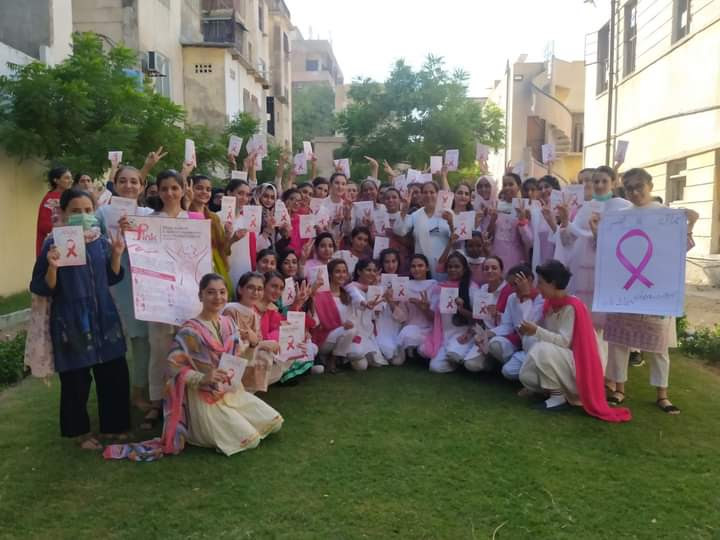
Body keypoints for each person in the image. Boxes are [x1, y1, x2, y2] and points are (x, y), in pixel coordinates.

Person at [105, 274, 283, 460]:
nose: (218, 297)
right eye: (211, 293)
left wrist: (254, 345)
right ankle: (196, 432)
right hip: (203, 397)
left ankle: (230, 421)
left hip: (229, 391)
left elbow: (239, 359)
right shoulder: (190, 330)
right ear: (201, 296)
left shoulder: (229, 324)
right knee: (250, 440)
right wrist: (203, 377)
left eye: (222, 292)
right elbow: (173, 366)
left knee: (274, 423)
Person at [30, 189, 130, 450]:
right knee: (76, 380)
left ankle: (115, 425)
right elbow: (42, 287)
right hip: (72, 320)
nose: (83, 215)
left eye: (88, 210)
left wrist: (117, 253)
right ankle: (79, 432)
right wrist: (53, 266)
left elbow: (112, 277)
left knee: (114, 373)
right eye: (76, 211)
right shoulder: (54, 242)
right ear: (63, 213)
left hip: (104, 317)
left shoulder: (100, 240)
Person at [603, 168, 697, 414]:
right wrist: (597, 231)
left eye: (638, 186)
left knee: (658, 346)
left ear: (650, 185)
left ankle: (662, 395)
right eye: (629, 188)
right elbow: (609, 251)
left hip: (654, 291)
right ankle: (619, 388)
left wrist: (691, 223)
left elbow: (679, 250)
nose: (634, 192)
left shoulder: (666, 216)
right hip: (625, 290)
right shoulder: (620, 217)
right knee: (619, 343)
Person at [517, 260, 632, 422]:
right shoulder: (549, 304)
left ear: (554, 284)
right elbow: (530, 324)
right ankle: (554, 391)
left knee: (541, 348)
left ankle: (558, 398)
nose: (538, 287)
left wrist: (536, 330)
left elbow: (564, 342)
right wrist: (530, 325)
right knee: (526, 374)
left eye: (541, 283)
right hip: (563, 359)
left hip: (579, 366)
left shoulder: (572, 306)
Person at [96, 165, 155, 414]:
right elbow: (94, 248)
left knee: (142, 341)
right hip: (111, 285)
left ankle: (139, 392)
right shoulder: (101, 213)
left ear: (141, 186)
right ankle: (114, 397)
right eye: (123, 181)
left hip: (141, 287)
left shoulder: (150, 213)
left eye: (134, 181)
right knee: (115, 342)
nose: (129, 186)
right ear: (115, 184)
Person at [466, 265, 543, 379]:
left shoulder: (540, 298)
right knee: (497, 349)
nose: (513, 289)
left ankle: (533, 375)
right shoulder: (512, 297)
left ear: (530, 280)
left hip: (535, 345)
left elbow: (527, 327)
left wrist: (526, 296)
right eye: (511, 285)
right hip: (519, 341)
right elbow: (507, 325)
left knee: (510, 372)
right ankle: (514, 365)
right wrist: (486, 334)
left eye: (516, 284)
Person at [224, 272, 284, 392]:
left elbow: (257, 339)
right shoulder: (231, 310)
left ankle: (248, 391)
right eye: (250, 288)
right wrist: (262, 344)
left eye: (259, 289)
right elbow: (233, 344)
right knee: (263, 356)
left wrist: (262, 343)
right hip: (230, 360)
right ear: (240, 289)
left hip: (248, 355)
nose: (255, 293)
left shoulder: (253, 313)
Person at [420, 252, 478, 373]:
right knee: (434, 367)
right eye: (450, 267)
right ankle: (455, 359)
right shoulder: (439, 288)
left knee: (454, 354)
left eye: (457, 267)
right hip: (444, 335)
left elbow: (479, 318)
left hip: (465, 334)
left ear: (464, 269)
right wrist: (425, 308)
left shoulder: (471, 288)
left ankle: (461, 355)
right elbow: (434, 317)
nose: (452, 270)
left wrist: (462, 311)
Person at [393, 181, 452, 279]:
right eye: (425, 192)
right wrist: (404, 209)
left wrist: (451, 222)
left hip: (444, 264)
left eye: (432, 192)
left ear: (438, 194)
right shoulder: (416, 215)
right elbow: (399, 231)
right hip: (422, 268)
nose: (428, 195)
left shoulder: (447, 213)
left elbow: (456, 237)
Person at [311, 259, 357, 373]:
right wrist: (341, 325)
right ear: (330, 275)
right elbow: (316, 321)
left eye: (344, 271)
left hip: (341, 336)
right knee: (349, 331)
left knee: (352, 330)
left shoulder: (347, 295)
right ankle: (331, 360)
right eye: (337, 272)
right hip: (324, 338)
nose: (341, 275)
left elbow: (352, 318)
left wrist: (348, 324)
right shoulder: (321, 295)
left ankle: (334, 358)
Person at [393, 254, 436, 363]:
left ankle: (414, 351)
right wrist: (392, 302)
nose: (416, 269)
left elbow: (435, 317)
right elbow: (403, 316)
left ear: (427, 268)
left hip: (429, 329)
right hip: (411, 327)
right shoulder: (404, 285)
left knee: (423, 350)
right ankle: (407, 350)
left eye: (420, 266)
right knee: (407, 333)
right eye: (413, 266)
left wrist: (424, 308)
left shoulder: (434, 286)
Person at [344, 259, 385, 368]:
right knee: (360, 365)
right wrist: (365, 303)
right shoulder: (351, 287)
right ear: (359, 271)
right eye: (368, 270)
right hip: (354, 331)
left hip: (368, 332)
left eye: (374, 271)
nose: (372, 273)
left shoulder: (376, 290)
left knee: (376, 364)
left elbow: (375, 316)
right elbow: (356, 296)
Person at [36, 166, 73, 256]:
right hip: (53, 246)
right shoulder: (51, 200)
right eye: (67, 178)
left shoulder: (67, 197)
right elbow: (45, 225)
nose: (71, 181)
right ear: (56, 180)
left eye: (71, 178)